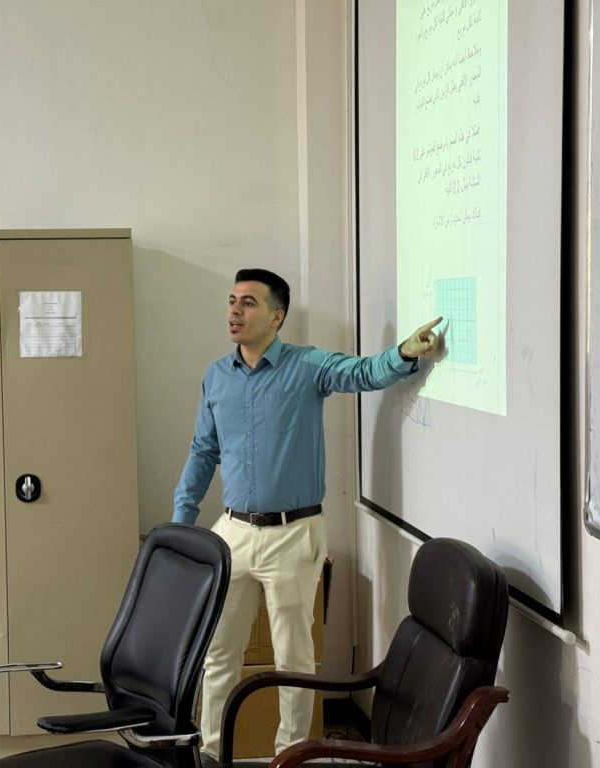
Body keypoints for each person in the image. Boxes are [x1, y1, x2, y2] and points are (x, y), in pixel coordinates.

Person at [172, 268, 442, 761]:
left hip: (292, 533)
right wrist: (180, 526)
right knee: (217, 653)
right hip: (231, 533)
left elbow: (362, 372)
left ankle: (291, 754)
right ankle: (212, 753)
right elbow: (202, 452)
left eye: (248, 302)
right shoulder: (216, 376)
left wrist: (404, 353)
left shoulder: (307, 365)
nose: (234, 310)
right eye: (232, 300)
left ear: (277, 317)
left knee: (294, 657)